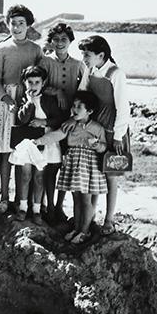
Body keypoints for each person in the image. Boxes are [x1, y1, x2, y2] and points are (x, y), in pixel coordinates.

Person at [74, 35, 131, 235]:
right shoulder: (90, 70)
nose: (84, 58)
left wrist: (117, 136)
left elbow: (123, 108)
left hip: (114, 129)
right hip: (96, 126)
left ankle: (109, 219)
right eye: (82, 54)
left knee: (111, 175)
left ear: (101, 55)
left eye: (87, 55)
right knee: (95, 172)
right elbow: (82, 93)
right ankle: (90, 218)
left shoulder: (116, 73)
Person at [0, 4, 43, 214]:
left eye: (21, 23)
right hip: (7, 103)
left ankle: (25, 200)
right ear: (7, 25)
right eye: (13, 23)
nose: (17, 27)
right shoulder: (1, 49)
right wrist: (5, 98)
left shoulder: (35, 49)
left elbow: (41, 77)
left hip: (30, 101)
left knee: (26, 151)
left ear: (28, 25)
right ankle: (4, 197)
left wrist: (33, 100)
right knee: (5, 153)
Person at [38, 90, 107, 244]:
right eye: (73, 106)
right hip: (73, 163)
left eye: (79, 107)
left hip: (88, 166)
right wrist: (40, 141)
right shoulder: (70, 125)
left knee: (86, 199)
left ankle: (85, 231)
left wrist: (97, 145)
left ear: (89, 111)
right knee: (75, 197)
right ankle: (76, 227)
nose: (74, 109)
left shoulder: (97, 128)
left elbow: (103, 147)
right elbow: (56, 135)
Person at [40, 22, 88, 222]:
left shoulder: (78, 65)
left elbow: (84, 91)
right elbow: (37, 85)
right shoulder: (44, 62)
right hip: (50, 119)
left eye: (64, 40)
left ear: (70, 42)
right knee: (50, 165)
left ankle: (59, 207)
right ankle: (48, 205)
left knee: (65, 167)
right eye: (56, 39)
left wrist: (75, 117)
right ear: (51, 41)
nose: (60, 43)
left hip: (70, 121)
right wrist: (56, 91)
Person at [8, 65, 64, 221]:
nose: (33, 86)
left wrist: (43, 122)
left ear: (43, 83)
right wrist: (30, 102)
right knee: (25, 175)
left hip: (44, 141)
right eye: (30, 82)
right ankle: (23, 207)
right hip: (27, 141)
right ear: (25, 82)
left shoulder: (49, 100)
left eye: (37, 82)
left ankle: (37, 209)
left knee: (39, 177)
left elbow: (58, 119)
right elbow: (22, 119)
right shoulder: (23, 99)